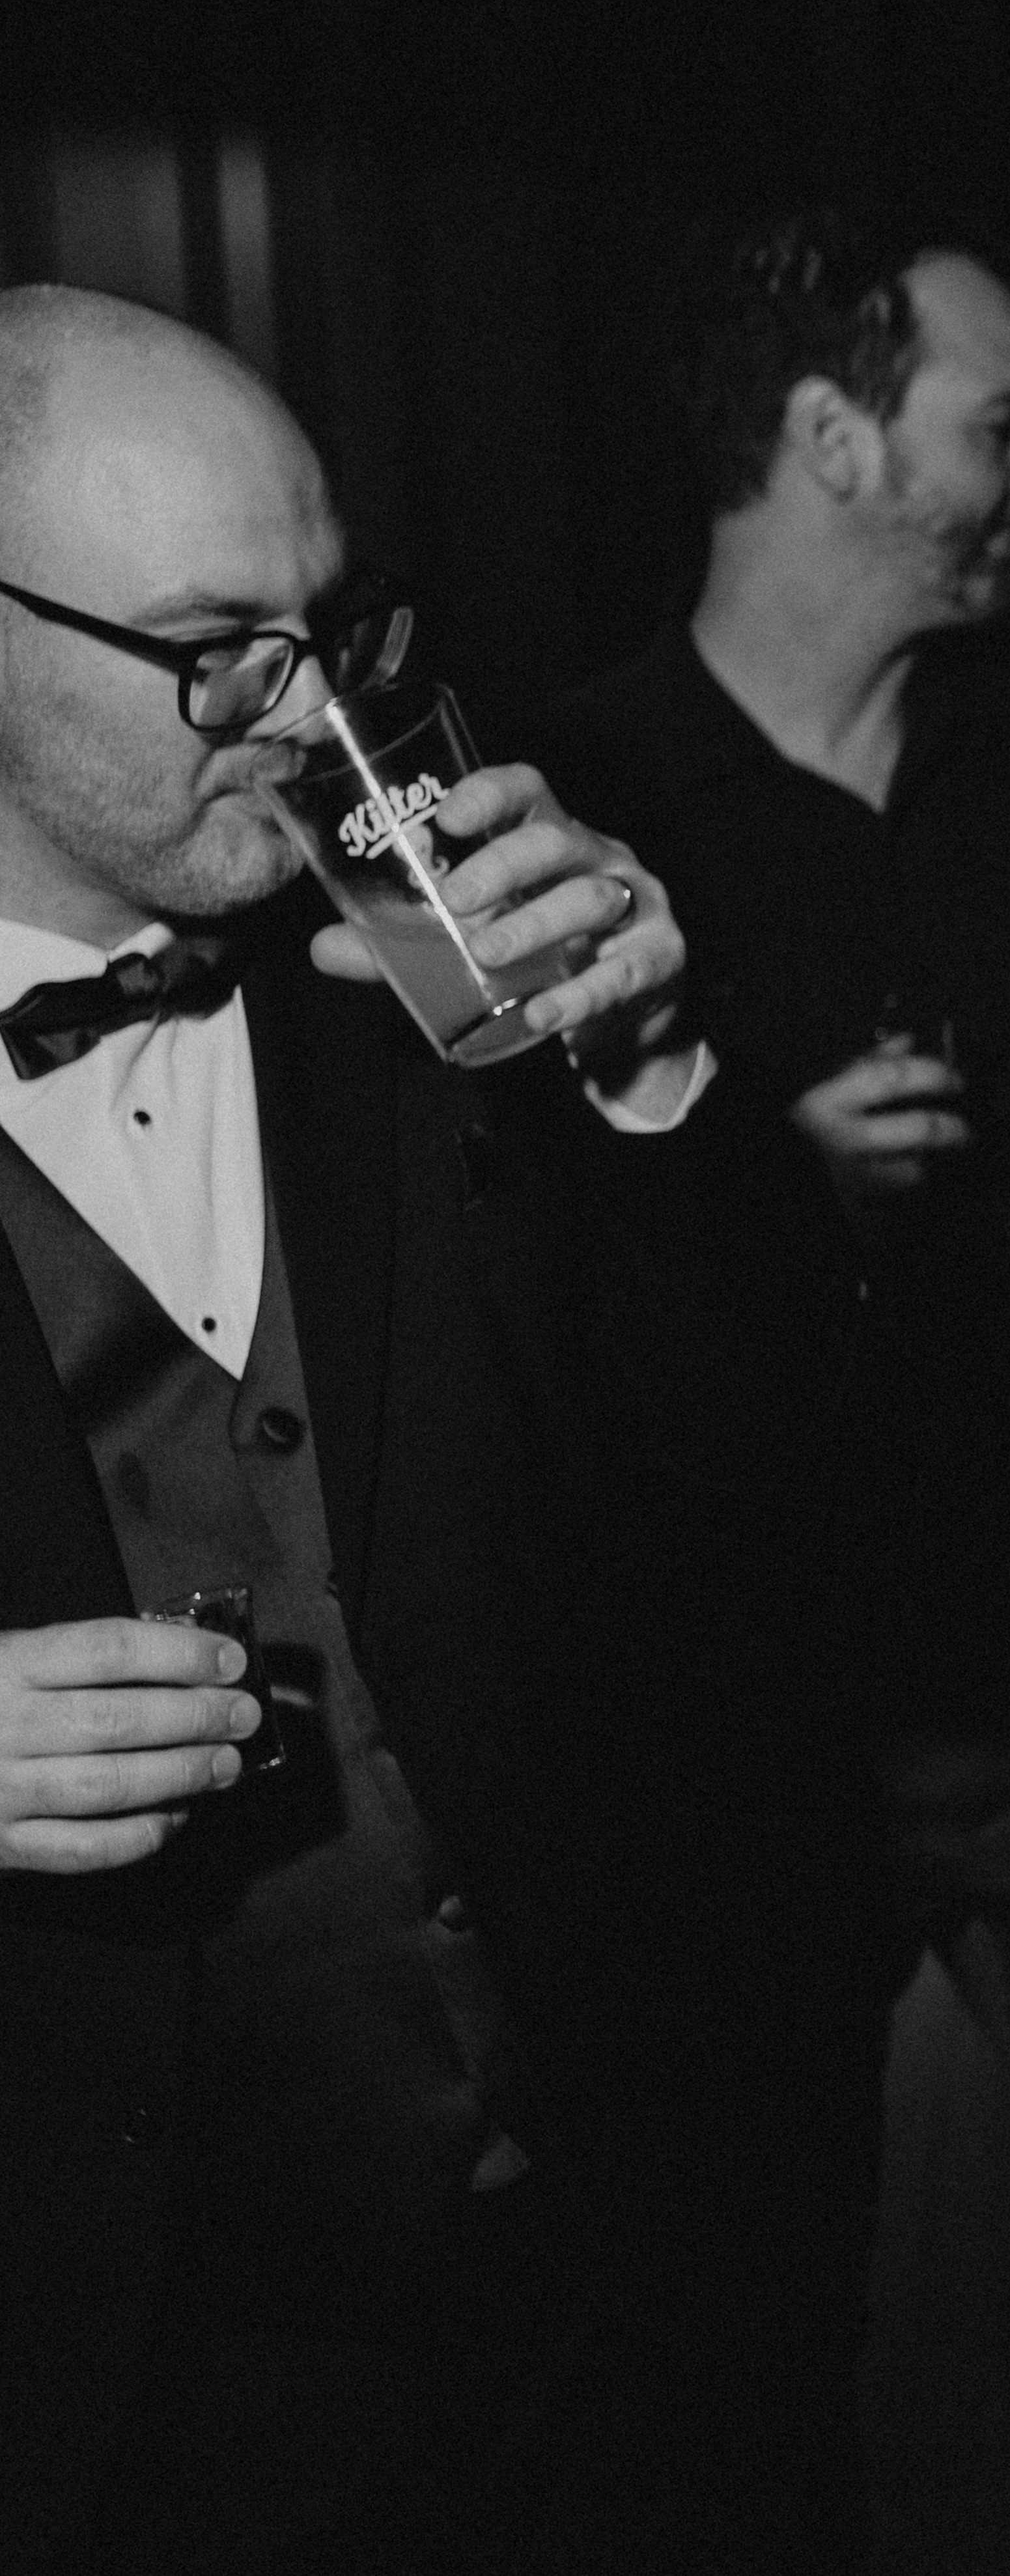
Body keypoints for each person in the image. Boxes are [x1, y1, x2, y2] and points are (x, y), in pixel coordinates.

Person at [539, 207, 1010, 2573]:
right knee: (751, 2337)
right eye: (1000, 418)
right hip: (737, 1719)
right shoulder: (571, 807)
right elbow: (479, 1284)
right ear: (828, 432)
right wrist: (749, 1172)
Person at [0, 288, 709, 2569]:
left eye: (328, 627)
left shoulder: (424, 965)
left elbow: (730, 1502)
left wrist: (664, 1088)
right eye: (217, 645)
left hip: (566, 2254)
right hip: (83, 2344)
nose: (310, 717)